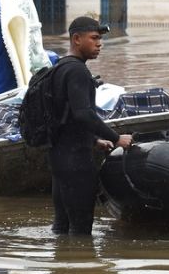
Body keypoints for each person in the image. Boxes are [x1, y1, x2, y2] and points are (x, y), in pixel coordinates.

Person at [49, 16, 133, 235]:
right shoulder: (77, 71)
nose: (99, 44)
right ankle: (81, 267)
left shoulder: (60, 67)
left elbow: (65, 116)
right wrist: (117, 138)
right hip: (76, 163)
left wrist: (95, 140)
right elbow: (84, 114)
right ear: (77, 39)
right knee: (81, 233)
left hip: (59, 159)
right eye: (94, 38)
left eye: (100, 39)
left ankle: (59, 268)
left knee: (61, 228)